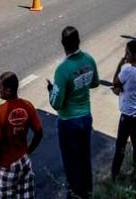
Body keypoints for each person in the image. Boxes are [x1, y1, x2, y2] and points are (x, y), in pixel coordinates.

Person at [48, 26, 99, 199]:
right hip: (86, 117)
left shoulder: (63, 70)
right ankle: (87, 191)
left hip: (68, 121)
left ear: (63, 44)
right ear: (79, 41)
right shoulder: (89, 60)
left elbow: (56, 103)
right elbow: (94, 83)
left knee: (71, 161)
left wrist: (51, 90)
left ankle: (75, 194)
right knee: (85, 158)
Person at [0, 72, 43, 199]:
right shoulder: (27, 106)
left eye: (0, 87)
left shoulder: (0, 112)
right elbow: (39, 133)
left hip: (6, 165)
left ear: (8, 90)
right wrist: (28, 151)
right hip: (24, 162)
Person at [111, 40, 136, 180]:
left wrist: (120, 64)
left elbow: (115, 82)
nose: (126, 56)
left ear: (135, 55)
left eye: (128, 53)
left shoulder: (128, 70)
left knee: (120, 144)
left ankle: (114, 174)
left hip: (128, 113)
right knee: (135, 140)